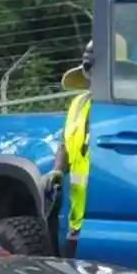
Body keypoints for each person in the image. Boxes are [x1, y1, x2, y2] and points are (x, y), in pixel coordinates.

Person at [56, 40, 95, 252]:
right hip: (79, 222)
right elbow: (65, 142)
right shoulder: (78, 104)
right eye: (88, 66)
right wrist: (56, 171)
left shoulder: (125, 109)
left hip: (107, 219)